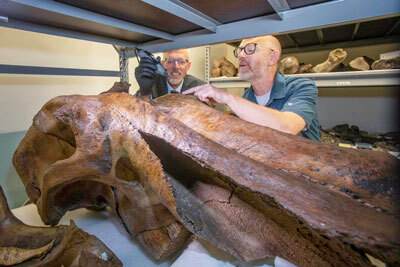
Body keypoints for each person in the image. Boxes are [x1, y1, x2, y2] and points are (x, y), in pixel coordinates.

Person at [183, 35, 321, 141]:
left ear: (272, 57)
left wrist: (228, 98)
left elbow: (288, 127)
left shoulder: (302, 87)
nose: (241, 55)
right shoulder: (246, 100)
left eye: (250, 49)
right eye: (240, 50)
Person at [135, 49, 204, 98]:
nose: (176, 67)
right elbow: (136, 111)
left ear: (188, 66)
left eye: (181, 62)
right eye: (170, 61)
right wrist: (144, 92)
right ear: (163, 64)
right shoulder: (152, 84)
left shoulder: (200, 88)